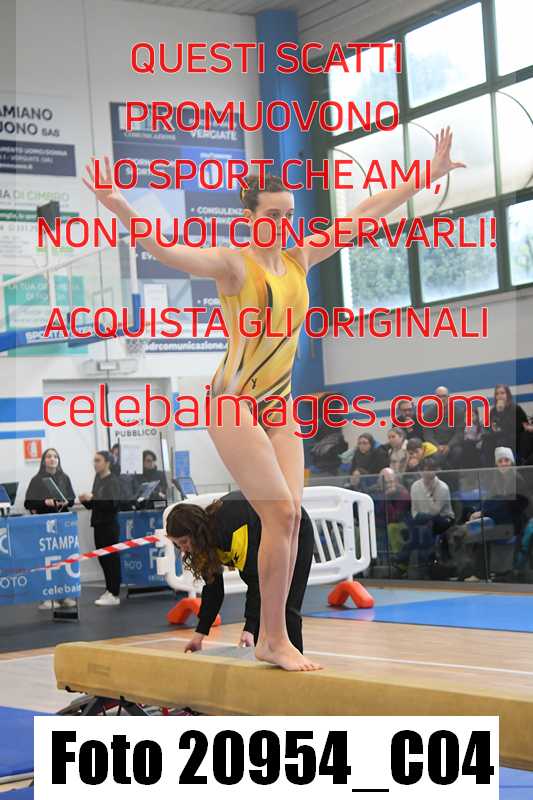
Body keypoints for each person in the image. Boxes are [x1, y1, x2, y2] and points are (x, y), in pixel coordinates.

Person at [84, 127, 464, 670]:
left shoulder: (300, 256)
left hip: (279, 404)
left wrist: (427, 174)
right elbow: (168, 250)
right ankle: (273, 638)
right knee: (279, 508)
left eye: (289, 213)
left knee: (288, 519)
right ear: (249, 217)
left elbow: (366, 212)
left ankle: (271, 636)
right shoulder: (234, 264)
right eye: (272, 214)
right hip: (232, 402)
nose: (283, 222)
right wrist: (121, 206)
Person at [165, 490, 314, 655]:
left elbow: (257, 580)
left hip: (294, 528)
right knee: (264, 615)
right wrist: (199, 635)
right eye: (177, 544)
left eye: (184, 542)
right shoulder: (203, 545)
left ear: (196, 532)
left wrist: (249, 628)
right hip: (266, 529)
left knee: (285, 607)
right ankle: (271, 661)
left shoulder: (230, 529)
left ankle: (294, 660)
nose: (183, 549)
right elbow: (213, 590)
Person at [24, 448, 76, 610]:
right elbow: (28, 503)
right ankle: (46, 597)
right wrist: (44, 503)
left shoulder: (65, 478)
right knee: (45, 561)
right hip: (43, 526)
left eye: (55, 456)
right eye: (49, 456)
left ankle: (64, 595)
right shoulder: (36, 480)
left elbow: (72, 499)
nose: (52, 459)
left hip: (63, 524)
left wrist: (66, 502)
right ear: (43, 460)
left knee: (63, 560)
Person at [79, 451, 122, 606]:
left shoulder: (113, 481)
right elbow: (94, 505)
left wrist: (94, 498)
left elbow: (113, 504)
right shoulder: (98, 479)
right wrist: (85, 501)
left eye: (98, 460)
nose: (95, 463)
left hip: (109, 525)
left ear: (107, 463)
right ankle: (109, 589)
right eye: (94, 460)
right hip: (98, 524)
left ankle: (114, 593)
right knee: (103, 559)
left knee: (111, 559)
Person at [481, 385, 532, 465]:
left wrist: (502, 413)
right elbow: (492, 427)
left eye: (502, 393)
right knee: (487, 441)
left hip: (514, 437)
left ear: (507, 395)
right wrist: (498, 413)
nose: (500, 396)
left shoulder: (516, 408)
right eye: (497, 394)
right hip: (498, 436)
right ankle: (490, 468)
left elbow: (521, 427)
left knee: (503, 441)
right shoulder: (493, 411)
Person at [423, 386, 465, 469]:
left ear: (448, 397)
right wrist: (437, 446)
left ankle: (452, 475)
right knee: (435, 454)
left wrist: (449, 446)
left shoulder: (458, 412)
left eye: (444, 396)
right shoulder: (428, 414)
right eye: (439, 396)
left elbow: (459, 433)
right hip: (435, 445)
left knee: (457, 452)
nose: (442, 399)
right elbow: (428, 435)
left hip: (452, 444)